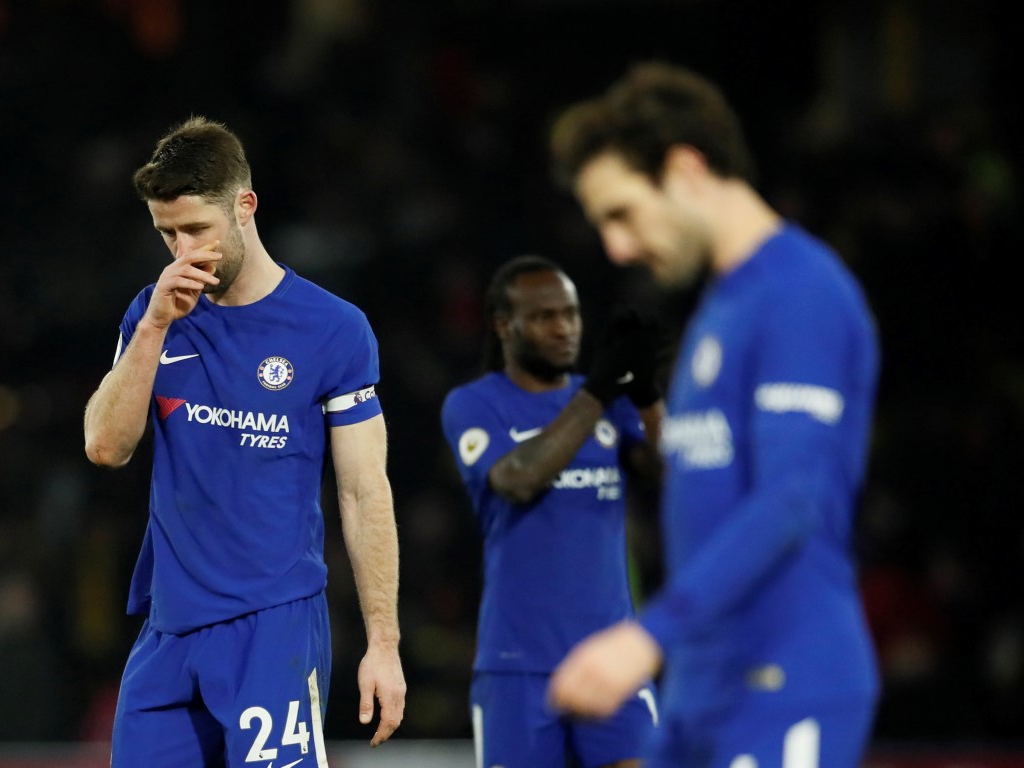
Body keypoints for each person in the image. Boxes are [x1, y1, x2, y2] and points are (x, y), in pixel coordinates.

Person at [546, 62, 881, 767]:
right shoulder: (718, 314)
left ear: (686, 168)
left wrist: (646, 636)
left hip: (783, 682)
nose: (616, 247)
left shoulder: (800, 293)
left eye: (621, 212)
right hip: (703, 688)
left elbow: (791, 499)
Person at [83, 117, 406, 767]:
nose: (182, 251)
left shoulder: (333, 329)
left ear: (244, 206)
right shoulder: (154, 314)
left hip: (272, 628)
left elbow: (363, 492)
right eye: (166, 234)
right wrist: (151, 327)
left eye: (196, 229)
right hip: (168, 629)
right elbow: (105, 447)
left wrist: (383, 643)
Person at [440, 254, 666, 768]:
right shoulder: (474, 404)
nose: (564, 328)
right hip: (517, 664)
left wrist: (649, 396)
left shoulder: (609, 403)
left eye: (571, 314)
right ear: (504, 326)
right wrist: (597, 392)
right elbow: (517, 480)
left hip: (612, 658)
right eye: (544, 317)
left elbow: (670, 474)